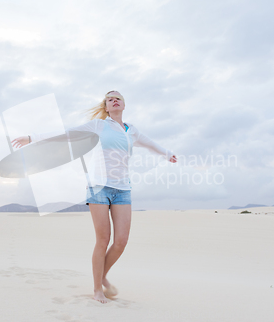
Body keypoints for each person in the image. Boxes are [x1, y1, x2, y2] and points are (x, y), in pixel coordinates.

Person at [11, 91, 177, 304]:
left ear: (124, 105)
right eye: (110, 99)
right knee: (103, 239)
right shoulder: (99, 126)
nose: (114, 100)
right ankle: (98, 288)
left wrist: (166, 153)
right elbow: (67, 133)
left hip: (122, 189)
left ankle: (102, 275)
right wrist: (32, 138)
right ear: (106, 108)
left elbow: (150, 144)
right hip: (99, 187)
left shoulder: (132, 130)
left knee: (121, 242)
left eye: (118, 98)